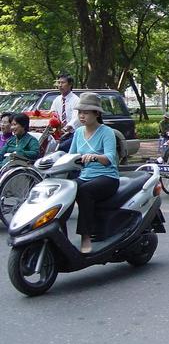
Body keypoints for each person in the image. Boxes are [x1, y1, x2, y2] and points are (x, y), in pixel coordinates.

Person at [68, 93, 120, 253]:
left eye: (86, 112)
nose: (81, 116)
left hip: (107, 177)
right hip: (85, 176)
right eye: (80, 112)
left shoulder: (107, 132)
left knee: (84, 191)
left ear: (96, 113)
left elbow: (110, 158)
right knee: (65, 190)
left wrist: (95, 157)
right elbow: (71, 156)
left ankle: (86, 236)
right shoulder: (78, 132)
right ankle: (59, 233)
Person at [49, 74, 80, 152]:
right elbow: (52, 114)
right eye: (59, 83)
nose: (60, 85)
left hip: (72, 134)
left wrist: (66, 128)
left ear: (70, 84)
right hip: (58, 133)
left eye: (63, 83)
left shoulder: (76, 100)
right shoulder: (57, 100)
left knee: (60, 148)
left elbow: (76, 118)